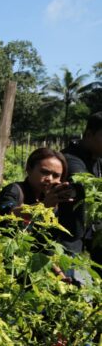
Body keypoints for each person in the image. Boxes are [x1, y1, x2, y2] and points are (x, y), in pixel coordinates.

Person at [0, 148, 83, 256]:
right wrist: (43, 206)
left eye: (56, 175)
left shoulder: (51, 200)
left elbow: (41, 245)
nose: (50, 179)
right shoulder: (15, 190)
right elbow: (8, 214)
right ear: (28, 169)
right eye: (44, 172)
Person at [61, 111, 102, 268]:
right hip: (67, 235)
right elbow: (89, 186)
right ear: (89, 134)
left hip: (92, 231)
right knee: (68, 282)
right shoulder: (69, 158)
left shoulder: (97, 158)